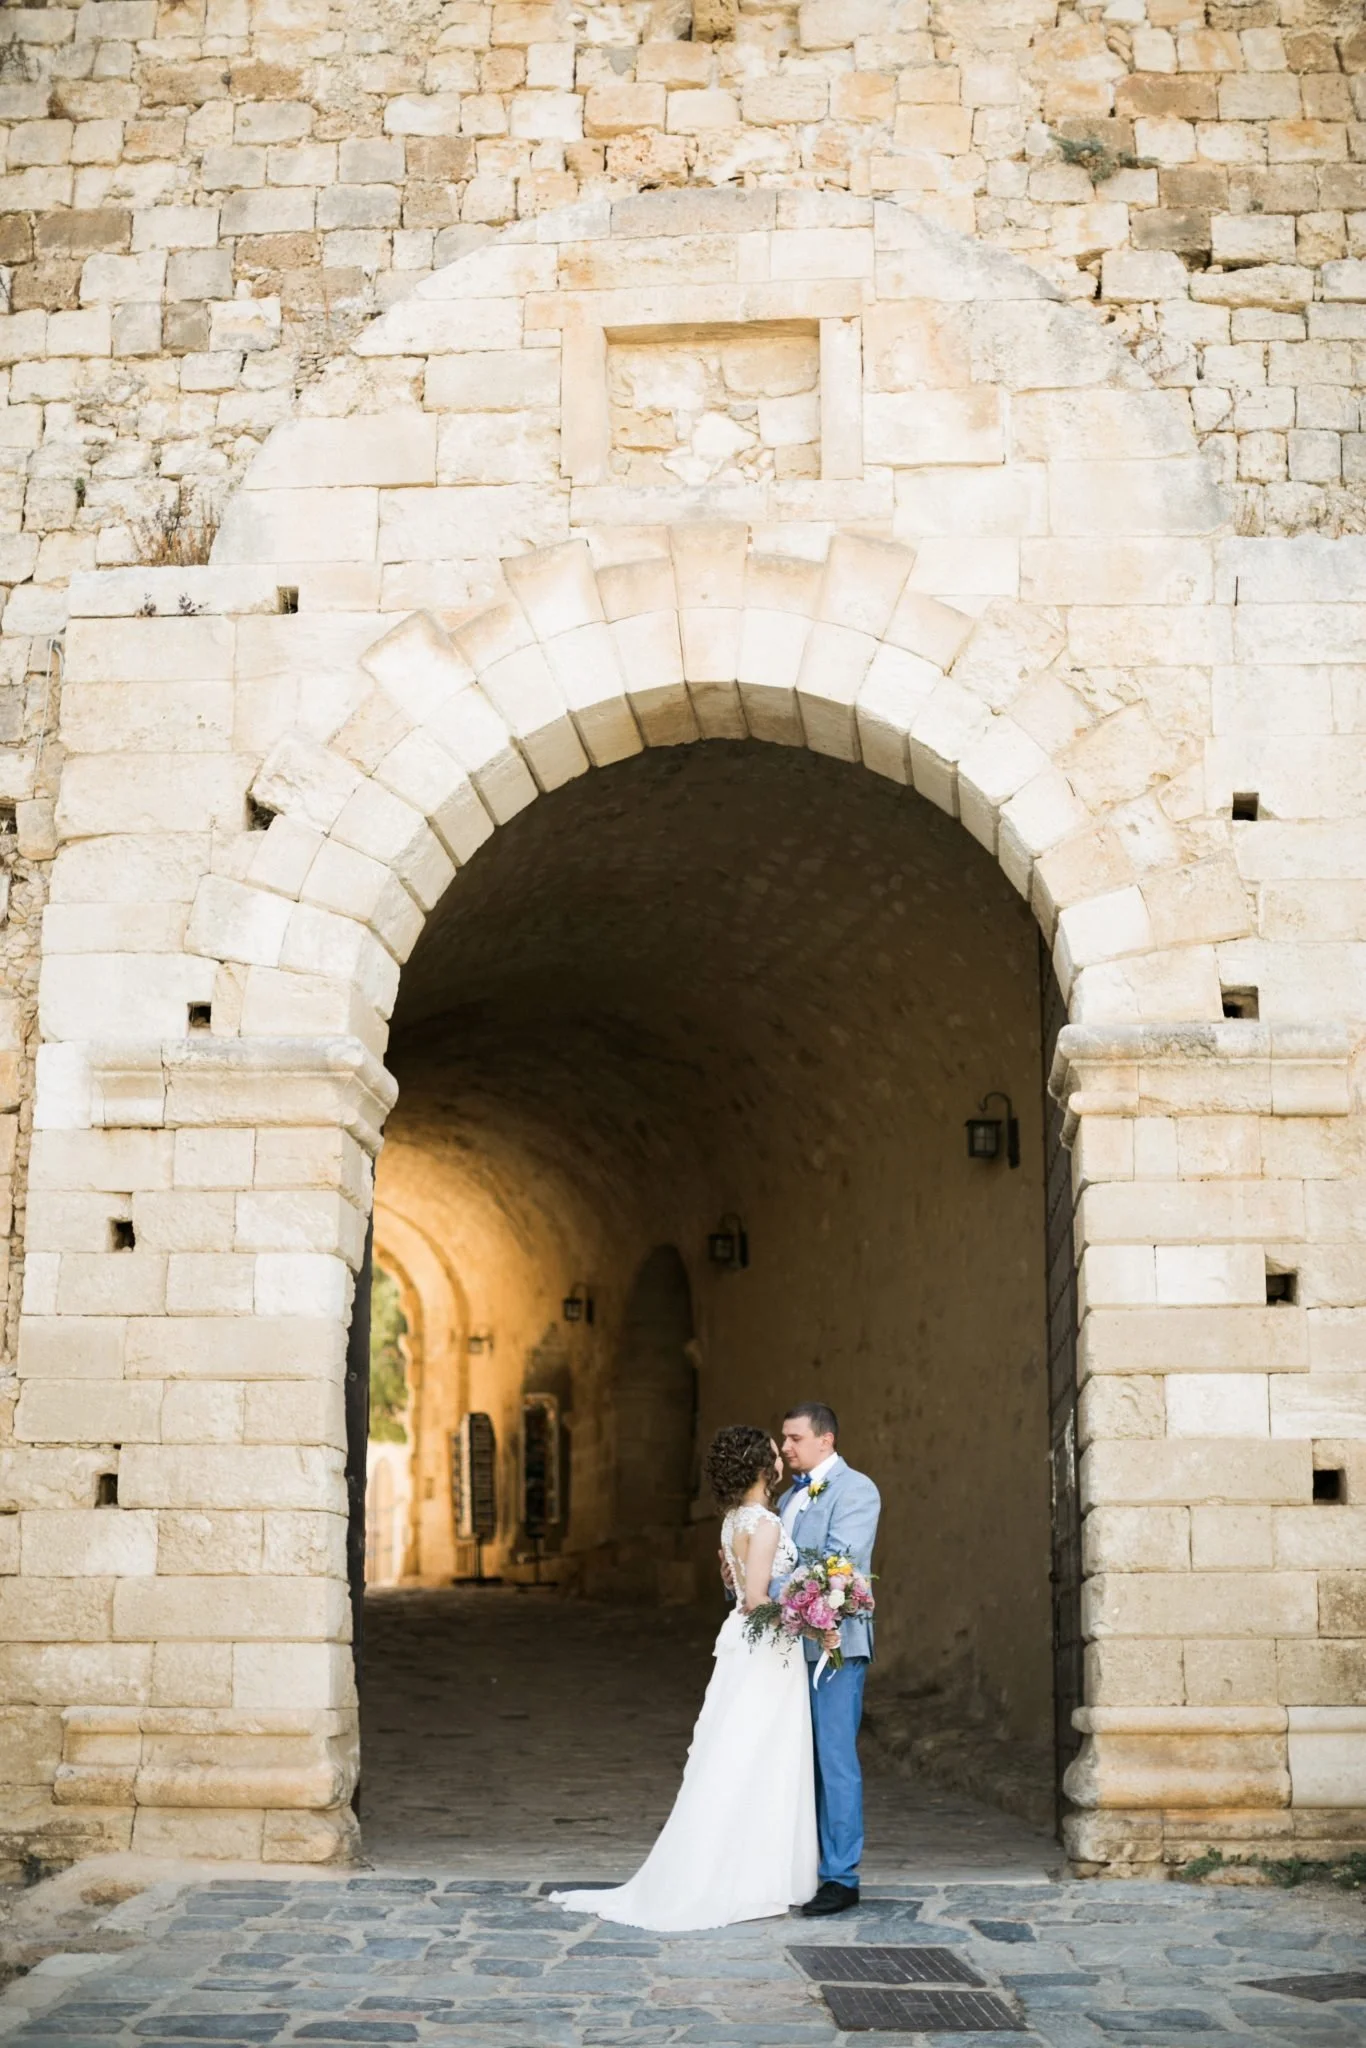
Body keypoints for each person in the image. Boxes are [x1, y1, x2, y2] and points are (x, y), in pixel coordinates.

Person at [552, 1425, 817, 1931]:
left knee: (738, 1751)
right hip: (768, 1651)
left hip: (745, 1643)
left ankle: (742, 1869)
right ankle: (749, 1878)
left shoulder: (730, 1522)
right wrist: (811, 1616)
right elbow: (760, 1597)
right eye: (773, 1454)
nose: (781, 1458)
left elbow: (738, 1590)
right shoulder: (764, 1524)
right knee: (762, 1754)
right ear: (764, 1468)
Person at [775, 1400, 881, 1917]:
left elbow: (837, 1561)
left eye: (795, 1438)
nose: (786, 1447)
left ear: (826, 1440)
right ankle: (802, 1866)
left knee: (835, 1760)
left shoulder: (856, 1489)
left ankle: (842, 1876)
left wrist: (762, 1587)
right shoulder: (784, 1501)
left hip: (834, 1647)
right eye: (784, 1438)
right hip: (787, 1649)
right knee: (796, 1761)